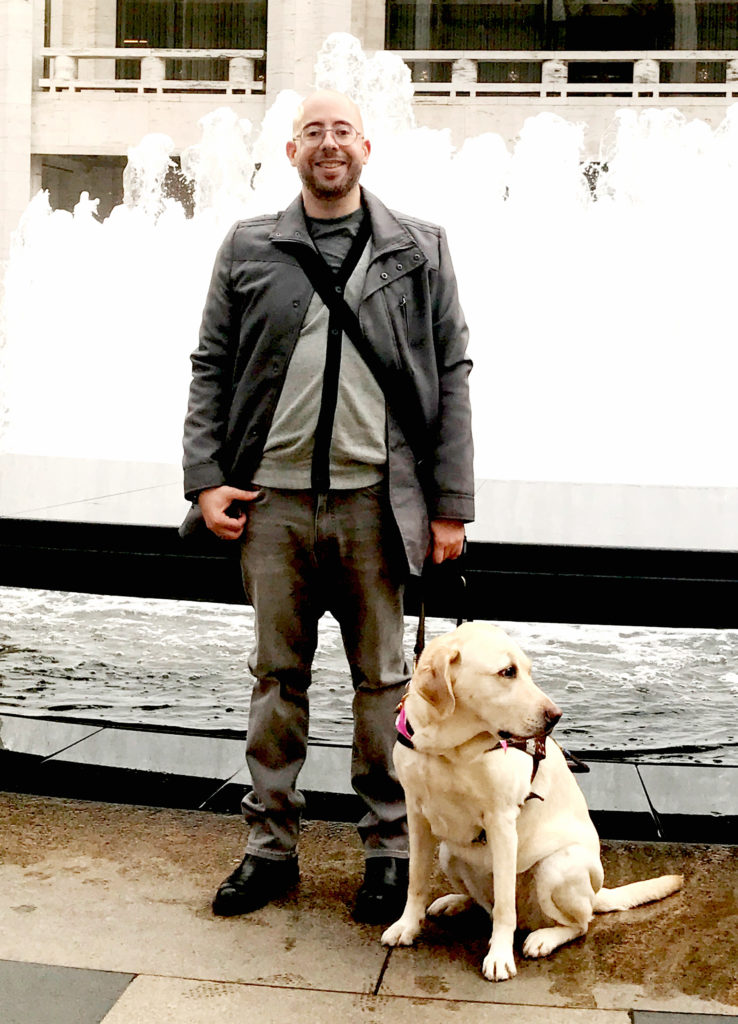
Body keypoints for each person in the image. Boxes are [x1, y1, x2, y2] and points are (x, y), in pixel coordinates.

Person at [182, 89, 474, 923]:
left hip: (377, 509)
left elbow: (452, 373)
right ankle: (268, 850)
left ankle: (388, 854)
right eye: (313, 132)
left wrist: (449, 505)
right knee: (277, 681)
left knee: (384, 685)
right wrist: (206, 479)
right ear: (291, 153)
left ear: (368, 148)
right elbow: (210, 364)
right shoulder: (249, 245)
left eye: (342, 130)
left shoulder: (419, 249)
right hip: (270, 504)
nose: (328, 144)